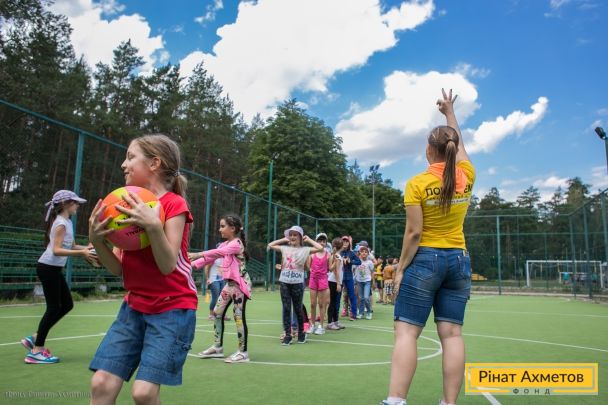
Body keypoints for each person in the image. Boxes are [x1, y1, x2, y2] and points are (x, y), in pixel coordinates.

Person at [88, 134, 197, 404]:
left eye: (130, 157)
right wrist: (97, 240)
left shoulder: (174, 204)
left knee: (144, 393)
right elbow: (118, 269)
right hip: (134, 307)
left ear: (154, 163)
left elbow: (167, 264)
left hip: (172, 308)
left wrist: (152, 226)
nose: (123, 164)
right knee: (101, 384)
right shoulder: (123, 206)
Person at [383, 89, 475, 405]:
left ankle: (396, 400)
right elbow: (460, 147)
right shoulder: (468, 176)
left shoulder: (417, 183)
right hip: (459, 261)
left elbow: (414, 233)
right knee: (452, 335)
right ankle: (449, 403)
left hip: (425, 261)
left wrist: (401, 268)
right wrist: (450, 113)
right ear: (453, 149)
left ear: (428, 150)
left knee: (407, 333)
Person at [21, 190, 96, 364]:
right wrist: (82, 254)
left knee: (67, 304)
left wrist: (87, 249)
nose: (78, 205)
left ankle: (35, 338)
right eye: (75, 203)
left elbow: (72, 245)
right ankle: (36, 351)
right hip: (47, 268)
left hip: (53, 269)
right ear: (66, 204)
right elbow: (56, 250)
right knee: (54, 308)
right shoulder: (61, 223)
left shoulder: (67, 222)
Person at [190, 214, 251, 363]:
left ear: (233, 228)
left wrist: (198, 253)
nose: (220, 229)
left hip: (240, 285)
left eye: (223, 226)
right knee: (217, 313)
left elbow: (219, 253)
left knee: (238, 317)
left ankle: (243, 352)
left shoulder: (236, 244)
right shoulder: (225, 244)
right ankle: (217, 348)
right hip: (229, 285)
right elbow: (211, 257)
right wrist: (190, 264)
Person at [268, 225, 323, 345]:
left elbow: (320, 248)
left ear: (300, 237)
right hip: (284, 282)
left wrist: (309, 240)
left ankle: (301, 333)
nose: (292, 237)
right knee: (286, 308)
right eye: (291, 235)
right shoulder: (284, 248)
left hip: (297, 283)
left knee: (298, 308)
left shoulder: (305, 250)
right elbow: (271, 245)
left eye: (295, 235)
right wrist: (284, 239)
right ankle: (288, 335)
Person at [307, 233, 331, 335]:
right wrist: (311, 270)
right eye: (320, 241)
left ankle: (321, 326)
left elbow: (330, 268)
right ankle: (312, 325)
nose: (321, 243)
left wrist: (336, 261)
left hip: (323, 280)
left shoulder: (328, 255)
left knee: (321, 304)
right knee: (312, 304)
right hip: (313, 279)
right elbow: (308, 266)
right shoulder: (312, 254)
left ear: (326, 243)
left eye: (323, 241)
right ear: (316, 242)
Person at [340, 236, 361, 321]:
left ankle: (353, 314)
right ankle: (335, 317)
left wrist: (350, 261)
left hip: (349, 277)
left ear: (349, 243)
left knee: (352, 296)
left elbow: (359, 262)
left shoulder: (351, 253)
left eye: (346, 241)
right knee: (338, 296)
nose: (345, 243)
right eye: (343, 241)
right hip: (339, 277)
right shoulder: (338, 252)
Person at [326, 237, 344, 330]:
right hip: (334, 282)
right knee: (333, 303)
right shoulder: (337, 257)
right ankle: (330, 323)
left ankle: (335, 321)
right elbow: (335, 271)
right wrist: (338, 283)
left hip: (333, 281)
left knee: (335, 302)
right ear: (341, 246)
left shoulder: (333, 255)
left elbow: (331, 268)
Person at [354, 244, 374, 320]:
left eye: (366, 252)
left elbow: (372, 272)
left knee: (366, 297)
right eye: (362, 252)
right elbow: (353, 270)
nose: (364, 253)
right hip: (359, 281)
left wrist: (373, 282)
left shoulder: (370, 262)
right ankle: (361, 313)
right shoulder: (357, 261)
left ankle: (369, 312)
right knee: (360, 298)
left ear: (368, 254)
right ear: (360, 253)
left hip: (367, 281)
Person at [202, 254, 224, 320]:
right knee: (215, 298)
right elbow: (206, 267)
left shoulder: (225, 257)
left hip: (221, 280)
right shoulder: (214, 257)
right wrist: (207, 279)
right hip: (213, 280)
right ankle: (211, 315)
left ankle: (219, 314)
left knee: (222, 298)